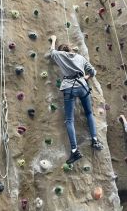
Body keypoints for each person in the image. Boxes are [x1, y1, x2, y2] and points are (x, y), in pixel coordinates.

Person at [49, 35, 103, 164]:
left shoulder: (60, 55)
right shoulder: (80, 57)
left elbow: (52, 52)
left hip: (69, 88)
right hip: (83, 86)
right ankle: (95, 140)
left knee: (69, 120)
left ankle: (74, 150)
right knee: (89, 113)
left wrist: (53, 40)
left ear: (62, 51)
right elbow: (93, 71)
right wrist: (86, 77)